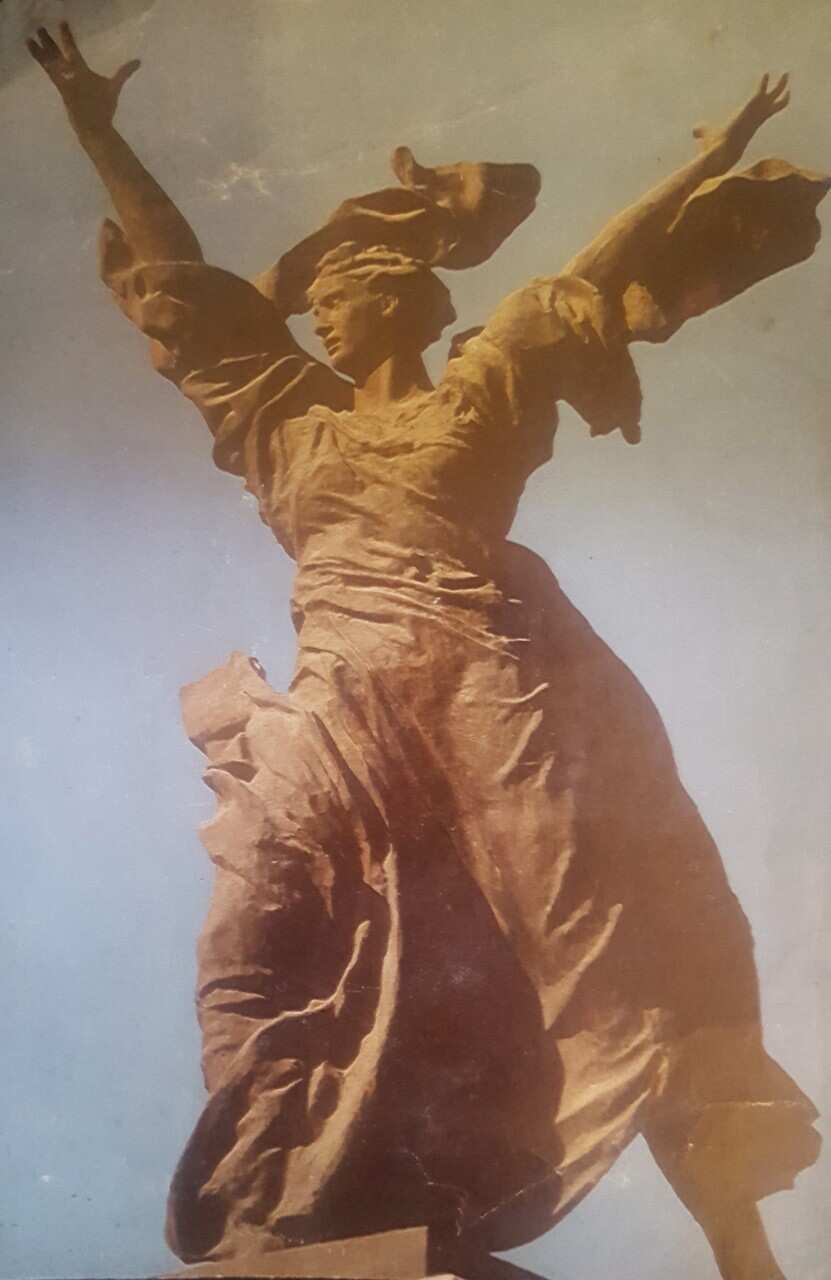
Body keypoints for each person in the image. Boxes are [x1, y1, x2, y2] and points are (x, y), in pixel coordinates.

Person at [30, 23, 825, 1280]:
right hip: (341, 704)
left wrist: (713, 157)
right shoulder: (286, 422)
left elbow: (592, 265)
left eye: (341, 298)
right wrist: (97, 128)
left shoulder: (486, 387)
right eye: (322, 305)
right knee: (252, 923)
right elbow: (182, 281)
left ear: (401, 300)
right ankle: (270, 1199)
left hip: (490, 692)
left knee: (604, 940)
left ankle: (740, 1240)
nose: (321, 317)